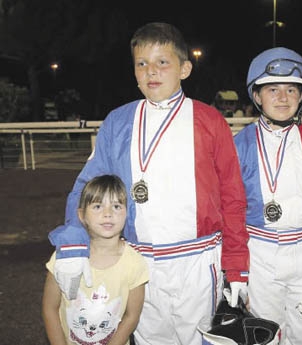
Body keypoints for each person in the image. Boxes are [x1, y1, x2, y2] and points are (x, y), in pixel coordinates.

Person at [47, 22, 249, 345]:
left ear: (184, 68)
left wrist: (237, 266)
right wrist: (73, 241)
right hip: (137, 264)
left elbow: (234, 198)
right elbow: (88, 187)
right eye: (142, 64)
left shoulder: (210, 121)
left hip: (197, 264)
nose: (151, 72)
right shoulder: (118, 121)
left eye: (162, 62)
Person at [233, 47, 302, 345]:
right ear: (257, 96)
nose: (282, 98)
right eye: (272, 89)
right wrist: (235, 271)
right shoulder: (237, 146)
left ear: (301, 95)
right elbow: (229, 212)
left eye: (291, 89)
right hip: (259, 255)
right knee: (262, 338)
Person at [42, 175, 149, 345]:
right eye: (98, 206)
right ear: (81, 215)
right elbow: (50, 309)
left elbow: (132, 316)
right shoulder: (64, 257)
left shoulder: (135, 263)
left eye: (116, 206)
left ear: (127, 213)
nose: (108, 214)